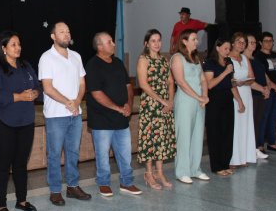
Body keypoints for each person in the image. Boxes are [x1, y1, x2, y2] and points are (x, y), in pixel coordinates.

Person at [0, 31, 41, 211]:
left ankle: (22, 200)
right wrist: (20, 96)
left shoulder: (26, 66)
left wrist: (34, 93)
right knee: (3, 165)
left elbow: (38, 87)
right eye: (13, 45)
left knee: (21, 164)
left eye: (19, 44)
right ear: (4, 48)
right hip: (3, 123)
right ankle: (1, 205)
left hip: (26, 121)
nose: (18, 48)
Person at [38, 22, 91, 206]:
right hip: (56, 115)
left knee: (73, 152)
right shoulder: (46, 58)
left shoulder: (76, 56)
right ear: (53, 36)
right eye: (62, 32)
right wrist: (68, 102)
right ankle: (55, 190)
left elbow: (82, 83)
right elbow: (47, 88)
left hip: (75, 113)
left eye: (68, 31)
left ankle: (72, 186)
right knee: (54, 154)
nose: (67, 34)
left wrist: (77, 101)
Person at [86, 32, 142, 196]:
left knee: (125, 153)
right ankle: (103, 182)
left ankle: (127, 182)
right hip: (101, 119)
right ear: (99, 46)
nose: (114, 44)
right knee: (102, 154)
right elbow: (96, 93)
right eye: (109, 42)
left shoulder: (118, 63)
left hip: (121, 118)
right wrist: (118, 108)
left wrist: (128, 105)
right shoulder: (93, 65)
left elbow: (128, 86)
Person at [136, 29, 176, 190]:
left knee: (162, 139)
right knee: (150, 138)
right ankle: (148, 173)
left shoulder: (164, 59)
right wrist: (162, 101)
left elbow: (171, 82)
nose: (157, 43)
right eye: (153, 40)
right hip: (151, 105)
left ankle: (160, 172)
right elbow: (143, 84)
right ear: (146, 43)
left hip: (165, 104)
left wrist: (170, 101)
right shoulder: (143, 59)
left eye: (159, 40)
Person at [170, 29, 210, 184]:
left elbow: (203, 79)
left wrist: (205, 96)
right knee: (184, 136)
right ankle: (182, 171)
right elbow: (181, 82)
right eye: (194, 39)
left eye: (196, 39)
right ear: (184, 41)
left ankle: (195, 169)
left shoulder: (196, 58)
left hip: (199, 101)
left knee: (197, 135)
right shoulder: (177, 58)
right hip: (185, 101)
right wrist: (198, 97)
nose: (197, 41)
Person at [202, 39, 243, 176]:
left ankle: (225, 163)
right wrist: (225, 72)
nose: (228, 51)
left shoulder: (229, 62)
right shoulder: (210, 63)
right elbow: (210, 84)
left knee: (227, 133)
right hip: (214, 100)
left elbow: (231, 84)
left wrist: (239, 100)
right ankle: (217, 166)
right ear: (218, 48)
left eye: (229, 48)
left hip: (227, 100)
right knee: (215, 133)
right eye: (225, 48)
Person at [255, 32, 276, 152]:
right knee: (264, 117)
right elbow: (263, 74)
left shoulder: (275, 55)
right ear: (260, 43)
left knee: (273, 117)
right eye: (266, 41)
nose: (269, 43)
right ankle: (260, 145)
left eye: (271, 40)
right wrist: (274, 86)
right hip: (267, 90)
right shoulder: (258, 56)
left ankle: (272, 143)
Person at [229, 32, 257, 166]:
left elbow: (252, 77)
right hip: (234, 94)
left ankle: (244, 157)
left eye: (244, 42)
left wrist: (243, 82)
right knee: (235, 126)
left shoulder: (245, 58)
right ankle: (233, 159)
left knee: (246, 125)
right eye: (239, 42)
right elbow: (230, 80)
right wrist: (237, 83)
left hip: (246, 93)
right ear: (232, 43)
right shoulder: (227, 58)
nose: (242, 44)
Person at [244, 33, 270, 159]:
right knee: (251, 122)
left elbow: (264, 75)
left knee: (258, 122)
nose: (254, 44)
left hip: (261, 93)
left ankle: (255, 147)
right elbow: (248, 79)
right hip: (252, 93)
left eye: (255, 42)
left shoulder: (256, 58)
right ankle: (249, 150)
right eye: (251, 42)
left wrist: (267, 88)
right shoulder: (243, 59)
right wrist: (262, 89)